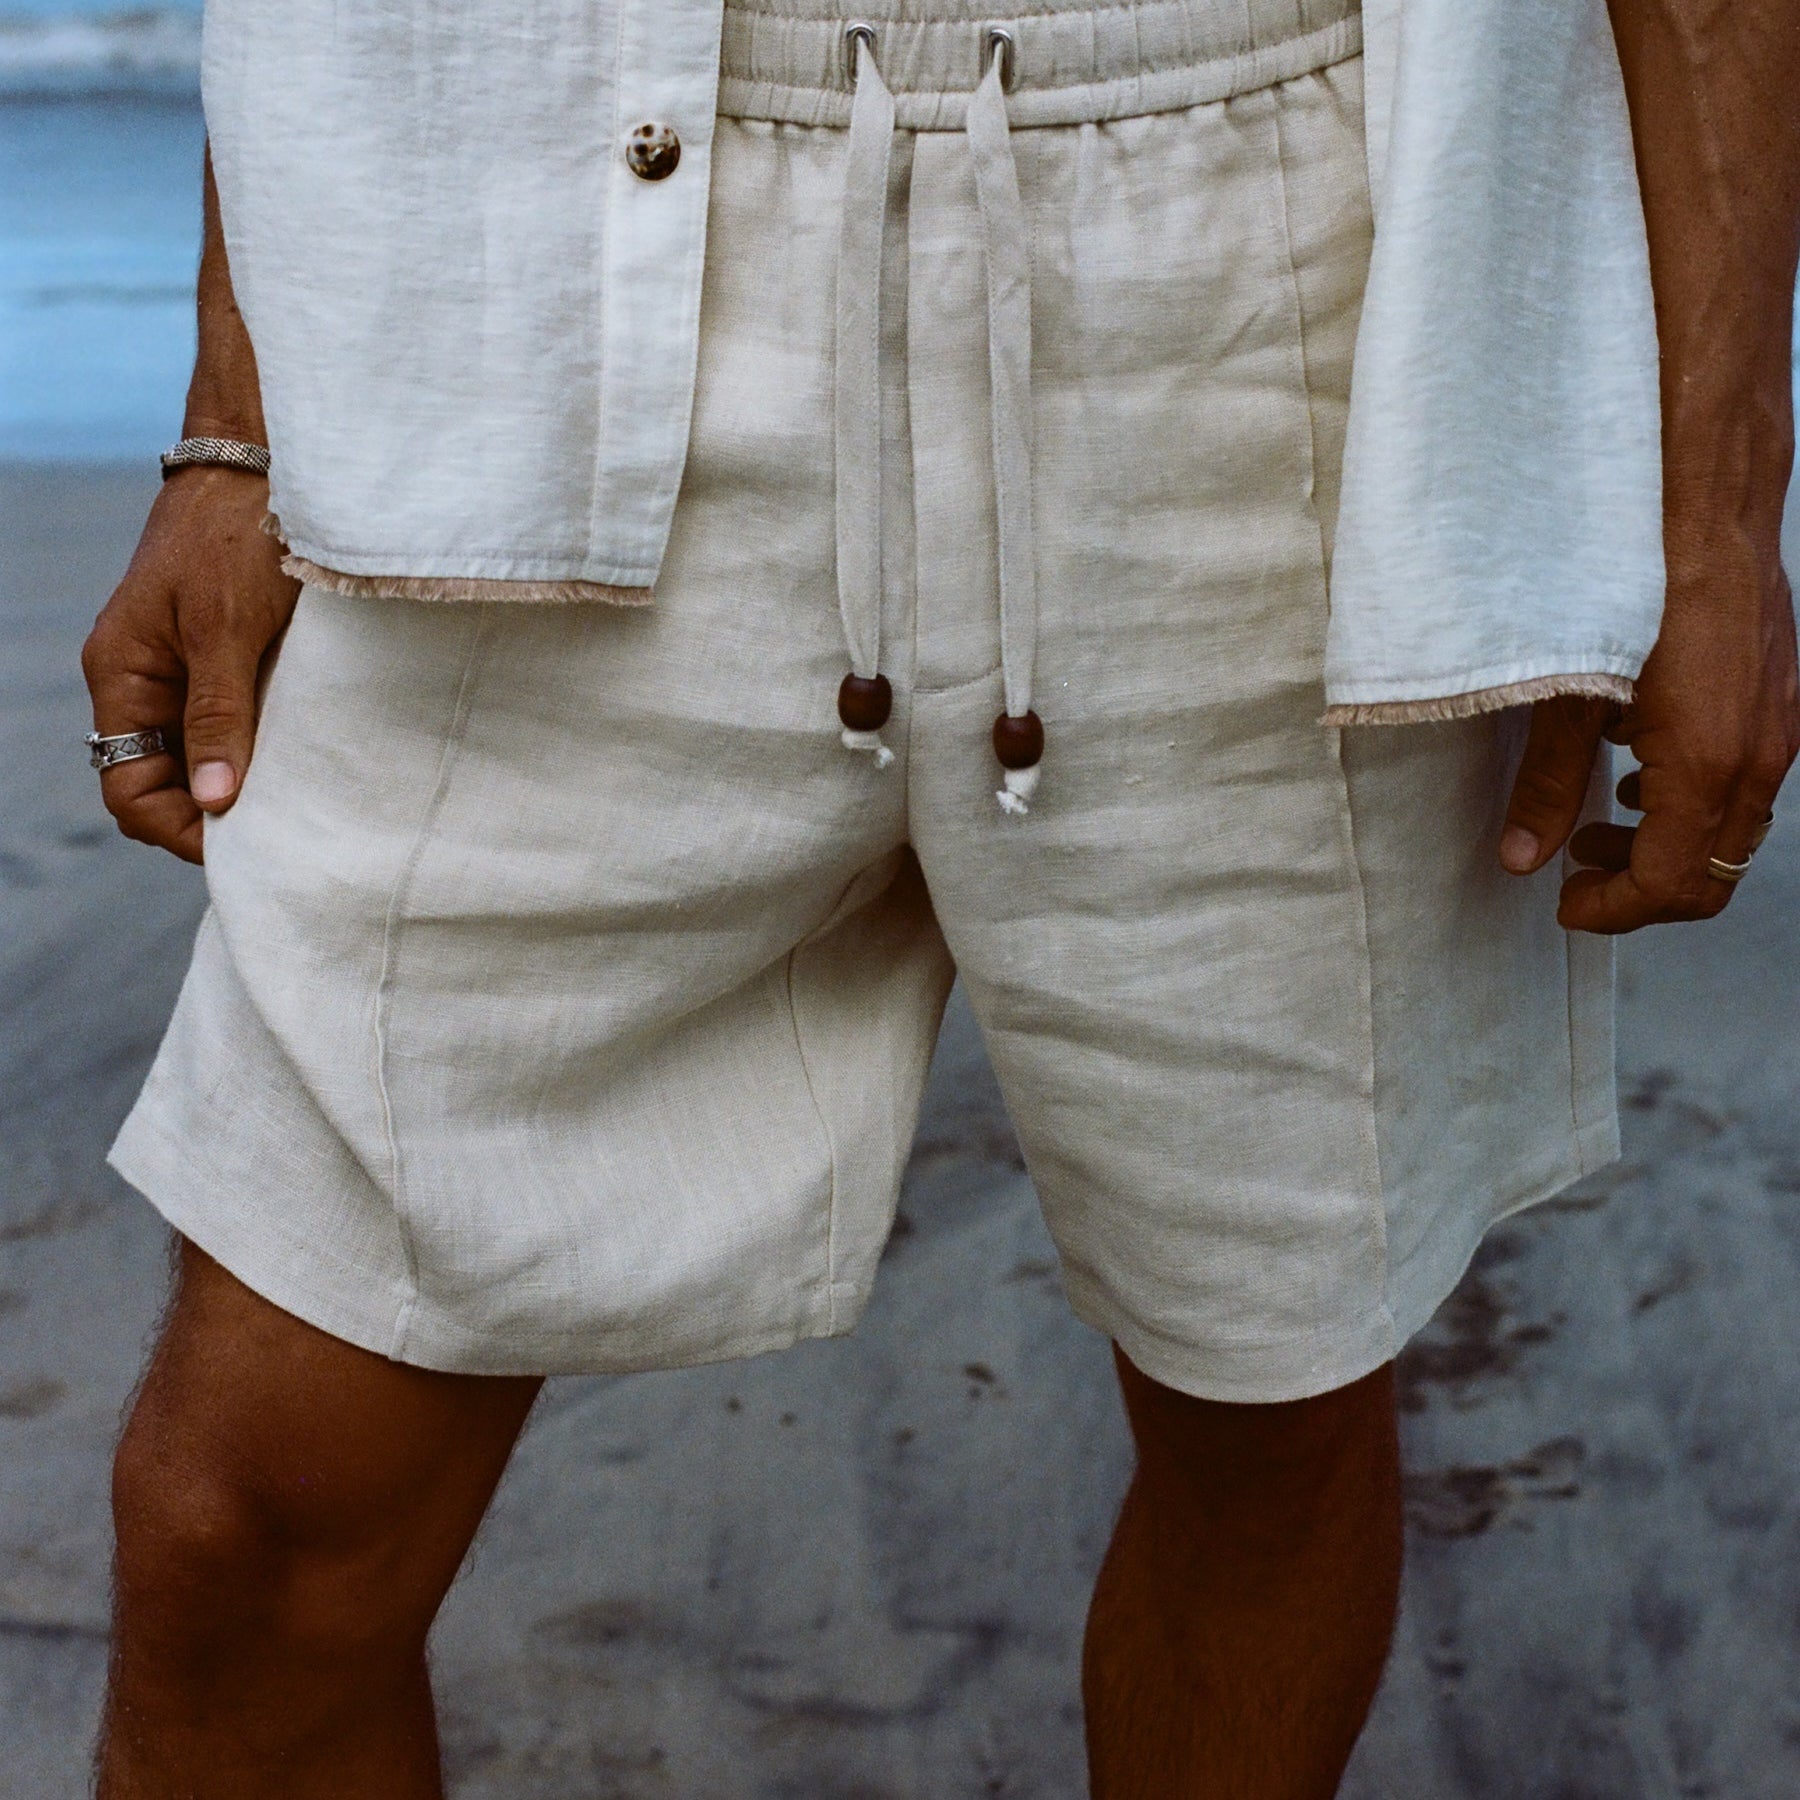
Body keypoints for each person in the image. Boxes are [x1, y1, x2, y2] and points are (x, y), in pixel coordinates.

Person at [79, 0, 1799, 1794]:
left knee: (1265, 1404)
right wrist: (236, 424)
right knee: (237, 1527)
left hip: (1269, 252)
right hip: (535, 267)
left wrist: (1717, 513)